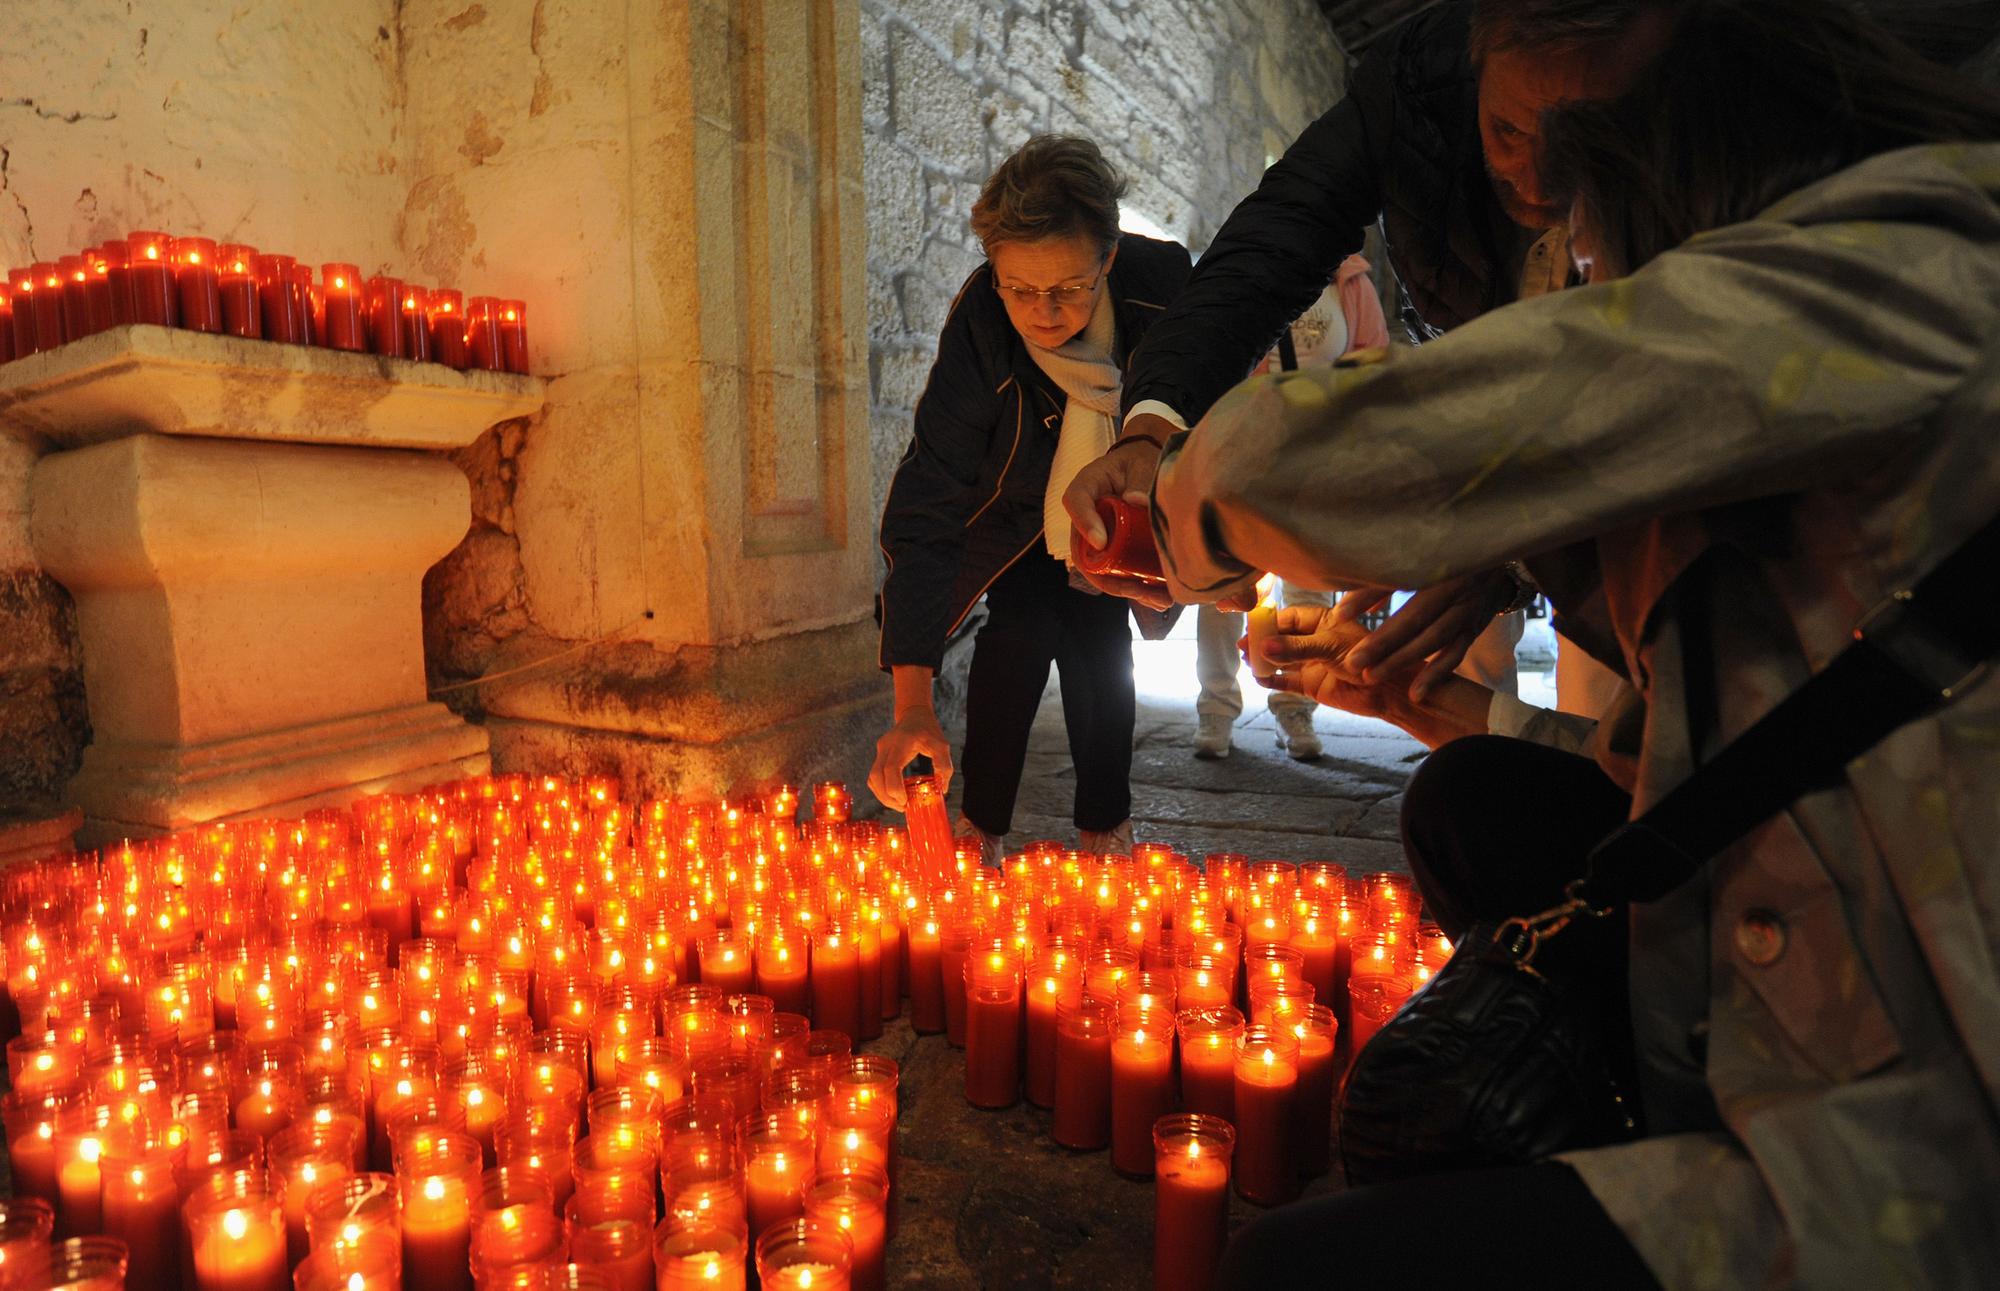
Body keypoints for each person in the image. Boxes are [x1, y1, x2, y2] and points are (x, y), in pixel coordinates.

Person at [1142, 1, 2000, 1284]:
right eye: (1504, 138)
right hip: (1781, 955)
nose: (1561, 230)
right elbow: (1703, 755)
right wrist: (1450, 711)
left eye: (1581, 185)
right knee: (1469, 798)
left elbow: (1308, 453)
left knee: (1292, 1270)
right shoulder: (1787, 360)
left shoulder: (1911, 268)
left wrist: (1170, 517)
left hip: (1929, 1127)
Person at [1070, 0, 1660, 710]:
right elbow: (1278, 235)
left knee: (1637, 708)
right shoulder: (1416, 83)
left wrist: (1502, 542)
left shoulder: (1718, 113)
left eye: (1575, 148)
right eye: (1506, 130)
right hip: (1537, 475)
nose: (1535, 183)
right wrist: (1154, 422)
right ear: (1477, 55)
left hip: (1656, 498)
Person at [870, 136, 1191, 862]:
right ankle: (980, 829)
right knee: (1021, 625)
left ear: (1108, 258)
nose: (1044, 311)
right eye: (1021, 287)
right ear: (995, 269)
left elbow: (1207, 403)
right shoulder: (983, 318)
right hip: (1015, 517)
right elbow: (930, 498)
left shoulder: (1163, 285)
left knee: (1101, 638)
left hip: (1124, 507)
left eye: (1070, 287)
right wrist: (913, 707)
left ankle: (1106, 832)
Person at [1191, 255, 1389, 760]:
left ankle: (1294, 704)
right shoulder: (1254, 272)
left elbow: (1372, 363)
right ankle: (1215, 707)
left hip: (1318, 451)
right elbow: (1221, 356)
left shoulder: (1351, 282)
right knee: (1228, 581)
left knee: (1310, 582)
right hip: (1247, 447)